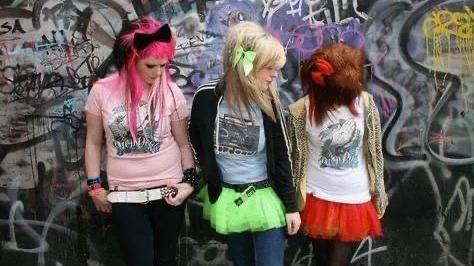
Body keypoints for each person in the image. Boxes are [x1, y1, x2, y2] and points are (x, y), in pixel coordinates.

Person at [84, 17, 198, 266]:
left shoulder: (171, 91)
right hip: (126, 197)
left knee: (165, 260)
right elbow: (93, 143)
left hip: (169, 194)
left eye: (164, 65)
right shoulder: (101, 92)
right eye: (151, 66)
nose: (159, 73)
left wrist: (188, 182)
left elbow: (182, 142)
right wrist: (95, 187)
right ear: (132, 59)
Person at [189, 21, 301, 266]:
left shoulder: (270, 103)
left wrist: (291, 206)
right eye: (269, 67)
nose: (275, 74)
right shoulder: (207, 98)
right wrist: (207, 170)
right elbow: (195, 135)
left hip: (264, 197)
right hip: (229, 198)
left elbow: (283, 156)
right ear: (245, 67)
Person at [288, 43, 388, 266]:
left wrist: (379, 190)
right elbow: (295, 159)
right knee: (322, 261)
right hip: (317, 199)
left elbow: (375, 150)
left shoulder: (365, 103)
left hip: (355, 200)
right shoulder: (300, 110)